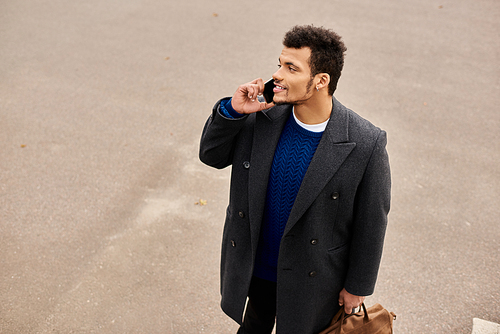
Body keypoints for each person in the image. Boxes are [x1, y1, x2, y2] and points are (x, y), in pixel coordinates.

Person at [199, 25, 391, 334]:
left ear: (320, 81)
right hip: (258, 266)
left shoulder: (364, 142)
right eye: (279, 63)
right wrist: (233, 111)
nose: (278, 75)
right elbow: (211, 155)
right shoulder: (261, 114)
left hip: (313, 275)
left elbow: (372, 222)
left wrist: (358, 286)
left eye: (291, 68)